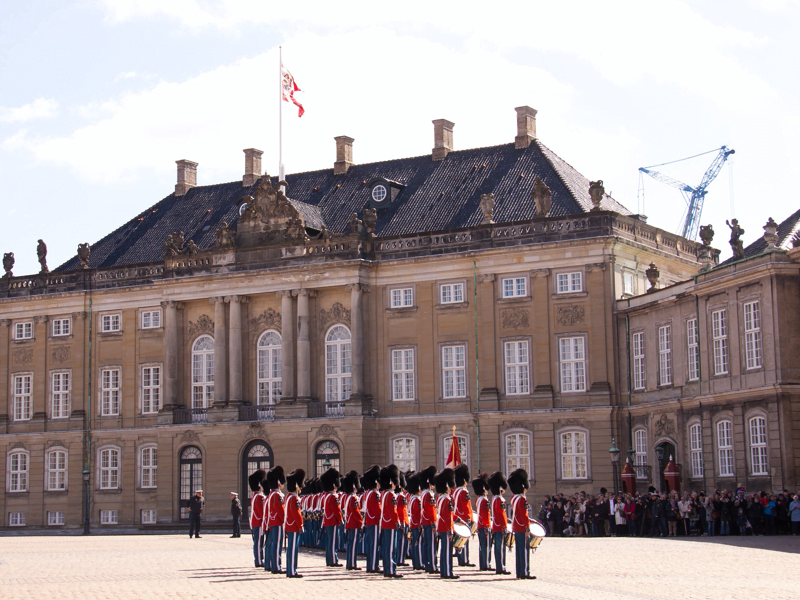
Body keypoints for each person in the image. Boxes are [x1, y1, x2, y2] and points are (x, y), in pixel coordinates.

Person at [508, 469, 535, 580]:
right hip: (522, 527)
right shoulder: (522, 499)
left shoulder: (514, 498)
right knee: (524, 550)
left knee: (519, 550)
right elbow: (523, 515)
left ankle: (519, 572)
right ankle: (524, 571)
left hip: (516, 526)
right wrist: (527, 527)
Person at [435, 468, 458, 579]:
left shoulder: (440, 498)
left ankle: (444, 571)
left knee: (444, 551)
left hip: (442, 527)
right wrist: (449, 529)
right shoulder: (446, 499)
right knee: (447, 551)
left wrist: (458, 519)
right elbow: (447, 516)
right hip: (446, 528)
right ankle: (448, 572)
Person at [379, 464, 402, 578]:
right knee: (391, 548)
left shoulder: (383, 494)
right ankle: (391, 569)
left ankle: (387, 568)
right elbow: (393, 511)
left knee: (387, 547)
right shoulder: (391, 495)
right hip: (390, 523)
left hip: (385, 523)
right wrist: (397, 521)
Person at [264, 466, 286, 574]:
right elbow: (280, 511)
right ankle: (276, 566)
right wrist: (285, 521)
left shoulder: (272, 494)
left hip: (274, 522)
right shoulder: (277, 495)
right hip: (278, 522)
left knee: (274, 544)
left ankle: (273, 564)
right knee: (277, 545)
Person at [488, 471, 511, 575]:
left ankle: (500, 566)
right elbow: (500, 514)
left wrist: (506, 520)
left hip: (496, 525)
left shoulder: (494, 498)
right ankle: (500, 567)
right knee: (500, 547)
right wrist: (504, 526)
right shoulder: (499, 499)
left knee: (499, 547)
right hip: (499, 526)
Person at [284, 468, 305, 578]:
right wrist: (300, 525)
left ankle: (291, 569)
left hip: (290, 525)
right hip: (293, 526)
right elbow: (296, 514)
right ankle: (291, 571)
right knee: (292, 549)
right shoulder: (294, 498)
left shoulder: (289, 496)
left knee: (292, 549)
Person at [321, 467, 343, 568]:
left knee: (329, 542)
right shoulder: (333, 496)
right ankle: (333, 560)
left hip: (327, 521)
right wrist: (340, 519)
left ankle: (329, 560)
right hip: (333, 521)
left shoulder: (326, 496)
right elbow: (337, 510)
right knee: (333, 542)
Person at [452, 464, 474, 567]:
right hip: (464, 518)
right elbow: (467, 507)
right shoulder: (464, 491)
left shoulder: (455, 491)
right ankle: (464, 560)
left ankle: (461, 558)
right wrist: (470, 518)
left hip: (457, 516)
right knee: (464, 540)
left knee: (459, 540)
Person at [362, 465, 382, 573]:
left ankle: (370, 565)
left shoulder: (369, 493)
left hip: (370, 521)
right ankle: (374, 566)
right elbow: (377, 510)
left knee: (370, 544)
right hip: (374, 521)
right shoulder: (374, 493)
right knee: (374, 545)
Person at [341, 470, 363, 571]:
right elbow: (356, 512)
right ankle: (352, 564)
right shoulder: (353, 498)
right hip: (354, 523)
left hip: (349, 523)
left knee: (350, 544)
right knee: (353, 544)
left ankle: (350, 562)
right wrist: (361, 522)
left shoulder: (348, 497)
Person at [419, 465, 438, 574]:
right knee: (431, 545)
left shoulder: (425, 494)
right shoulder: (428, 495)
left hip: (426, 522)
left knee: (427, 544)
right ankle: (431, 565)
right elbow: (430, 511)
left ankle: (428, 563)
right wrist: (433, 523)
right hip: (429, 522)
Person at [472, 474, 491, 571]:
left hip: (480, 525)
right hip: (484, 526)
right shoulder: (484, 500)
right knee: (486, 546)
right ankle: (486, 564)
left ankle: (483, 563)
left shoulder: (478, 499)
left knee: (482, 545)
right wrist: (487, 526)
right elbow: (485, 515)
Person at [248, 470, 267, 566]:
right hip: (259, 522)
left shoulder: (256, 496)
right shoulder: (259, 497)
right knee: (259, 542)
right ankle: (259, 560)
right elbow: (261, 512)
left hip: (256, 522)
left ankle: (259, 559)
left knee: (258, 542)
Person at [407, 473, 424, 571]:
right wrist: (420, 524)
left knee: (415, 544)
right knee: (418, 544)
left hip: (413, 524)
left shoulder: (413, 499)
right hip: (417, 524)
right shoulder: (417, 500)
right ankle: (419, 563)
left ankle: (416, 563)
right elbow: (418, 514)